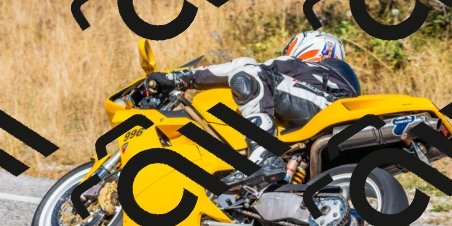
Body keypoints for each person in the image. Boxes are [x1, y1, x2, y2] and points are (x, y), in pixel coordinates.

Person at [145, 31, 361, 187]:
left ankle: (263, 155)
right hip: (331, 124)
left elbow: (246, 68)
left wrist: (177, 78)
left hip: (326, 109)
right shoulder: (332, 76)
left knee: (247, 74)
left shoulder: (300, 65)